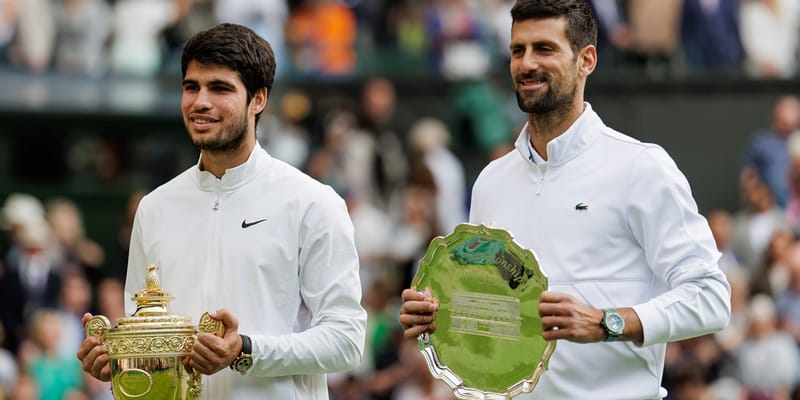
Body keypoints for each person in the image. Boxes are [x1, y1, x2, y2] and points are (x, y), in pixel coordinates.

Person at [399, 1, 731, 399]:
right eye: (517, 51)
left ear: (586, 60)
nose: (526, 64)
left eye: (544, 48)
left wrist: (607, 322)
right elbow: (498, 313)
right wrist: (441, 314)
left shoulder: (641, 167)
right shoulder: (491, 182)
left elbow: (711, 297)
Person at [77, 23, 367, 399]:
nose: (200, 101)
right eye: (191, 86)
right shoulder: (154, 208)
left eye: (220, 88)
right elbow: (146, 343)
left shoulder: (313, 202)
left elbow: (346, 340)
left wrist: (245, 349)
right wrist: (118, 357)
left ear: (258, 99)